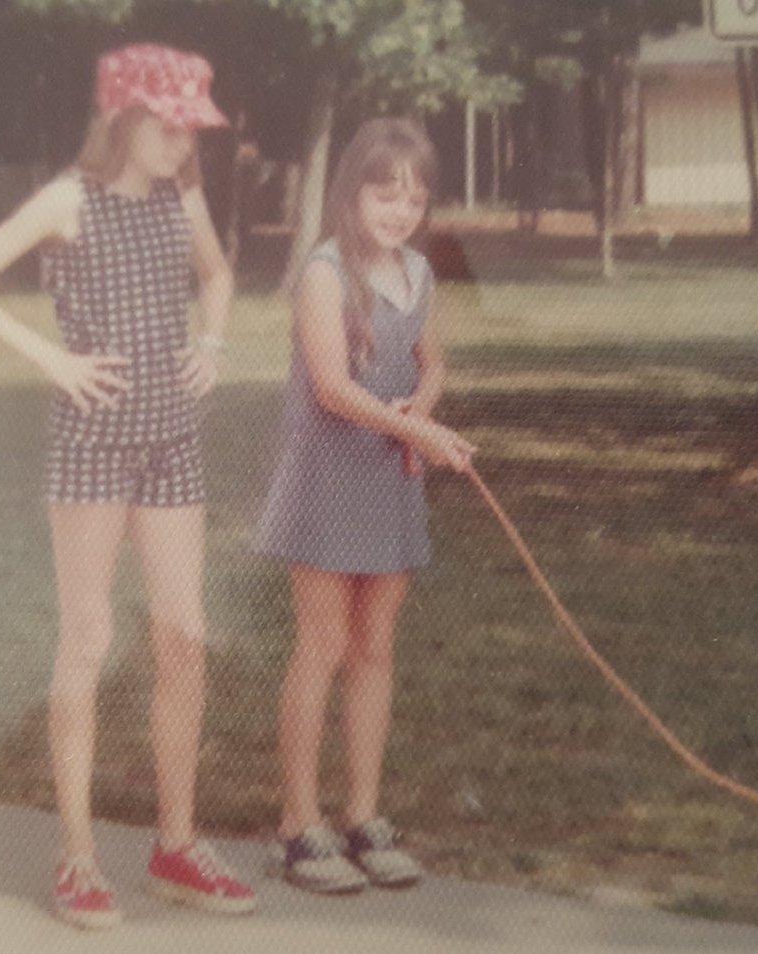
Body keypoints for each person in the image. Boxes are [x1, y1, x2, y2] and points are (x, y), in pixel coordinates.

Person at [0, 44, 255, 929]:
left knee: (184, 636)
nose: (186, 138)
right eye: (171, 122)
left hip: (170, 444)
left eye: (194, 124)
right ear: (121, 118)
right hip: (91, 446)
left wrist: (213, 347)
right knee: (87, 640)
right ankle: (77, 858)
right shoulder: (65, 200)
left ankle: (176, 847)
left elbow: (219, 275)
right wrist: (52, 359)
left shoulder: (180, 194)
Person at [255, 117, 475, 894]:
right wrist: (420, 426)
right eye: (387, 193)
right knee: (321, 644)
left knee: (375, 645)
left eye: (415, 196)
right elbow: (335, 389)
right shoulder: (324, 273)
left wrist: (426, 401)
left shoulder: (419, 271)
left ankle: (364, 814)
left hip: (391, 472)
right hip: (329, 472)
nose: (401, 210)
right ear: (352, 193)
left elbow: (433, 360)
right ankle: (297, 823)